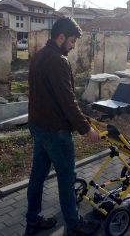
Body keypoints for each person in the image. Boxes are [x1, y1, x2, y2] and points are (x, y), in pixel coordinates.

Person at [25, 17, 101, 236]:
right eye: (72, 40)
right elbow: (67, 101)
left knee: (37, 176)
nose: (73, 45)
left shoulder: (39, 56)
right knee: (67, 178)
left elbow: (43, 95)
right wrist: (86, 128)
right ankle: (74, 225)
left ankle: (33, 221)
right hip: (55, 131)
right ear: (60, 37)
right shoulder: (58, 60)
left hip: (38, 126)